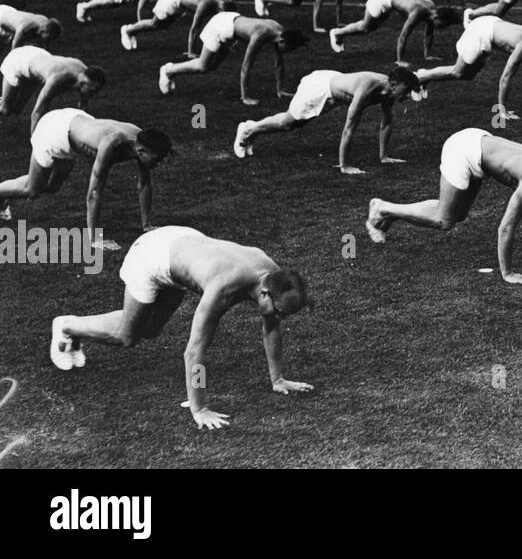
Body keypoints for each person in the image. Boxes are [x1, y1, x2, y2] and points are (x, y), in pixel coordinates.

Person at [50, 226, 313, 431]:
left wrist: (278, 379)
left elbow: (271, 326)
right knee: (127, 335)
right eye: (280, 312)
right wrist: (200, 409)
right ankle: (66, 326)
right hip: (151, 257)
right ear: (265, 294)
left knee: (150, 329)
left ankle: (78, 327)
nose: (281, 318)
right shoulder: (223, 288)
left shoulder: (275, 278)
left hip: (181, 241)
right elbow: (194, 352)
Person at [364, 129, 522, 285]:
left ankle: (387, 212)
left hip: (478, 141)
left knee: (454, 215)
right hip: (463, 150)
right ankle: (382, 208)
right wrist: (508, 273)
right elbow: (506, 226)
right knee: (444, 220)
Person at [0, 109, 172, 249]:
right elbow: (94, 193)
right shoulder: (111, 144)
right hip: (53, 132)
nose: (160, 162)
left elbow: (144, 184)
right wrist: (95, 239)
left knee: (52, 187)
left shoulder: (140, 137)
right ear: (141, 151)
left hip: (73, 119)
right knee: (32, 189)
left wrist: (146, 225)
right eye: (158, 158)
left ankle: (4, 195)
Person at [235, 66, 421, 173]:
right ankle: (248, 129)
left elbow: (387, 121)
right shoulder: (368, 87)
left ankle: (252, 129)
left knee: (293, 124)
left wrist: (384, 156)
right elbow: (349, 127)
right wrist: (345, 166)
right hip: (320, 89)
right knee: (287, 123)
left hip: (334, 90)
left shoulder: (390, 92)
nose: (406, 96)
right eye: (405, 91)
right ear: (394, 85)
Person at [415, 16, 522, 123]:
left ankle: (425, 76)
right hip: (481, 33)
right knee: (458, 72)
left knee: (468, 76)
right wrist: (502, 111)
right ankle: (420, 77)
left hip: (490, 24)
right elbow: (506, 75)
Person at [159, 14, 309, 106]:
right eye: (290, 49)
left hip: (230, 23)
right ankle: (168, 70)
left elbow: (279, 64)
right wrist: (245, 97)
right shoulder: (260, 35)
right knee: (203, 66)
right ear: (283, 41)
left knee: (213, 67)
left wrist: (280, 90)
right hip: (219, 27)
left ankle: (171, 71)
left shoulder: (279, 29)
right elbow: (246, 66)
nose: (288, 53)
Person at [327, 0, 460, 63]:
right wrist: (400, 61)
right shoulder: (417, 12)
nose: (442, 28)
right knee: (365, 27)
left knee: (370, 28)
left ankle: (339, 33)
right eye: (443, 25)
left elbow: (429, 33)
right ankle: (337, 33)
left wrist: (427, 55)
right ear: (437, 17)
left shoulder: (431, 5)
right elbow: (402, 37)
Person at [0, 46, 106, 131]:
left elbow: (83, 105)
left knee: (17, 110)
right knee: (6, 110)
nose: (93, 94)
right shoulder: (57, 79)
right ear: (83, 83)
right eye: (92, 91)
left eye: (96, 91)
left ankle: (3, 100)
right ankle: (3, 102)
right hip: (16, 61)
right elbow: (37, 112)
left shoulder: (86, 73)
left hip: (36, 56)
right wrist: (35, 143)